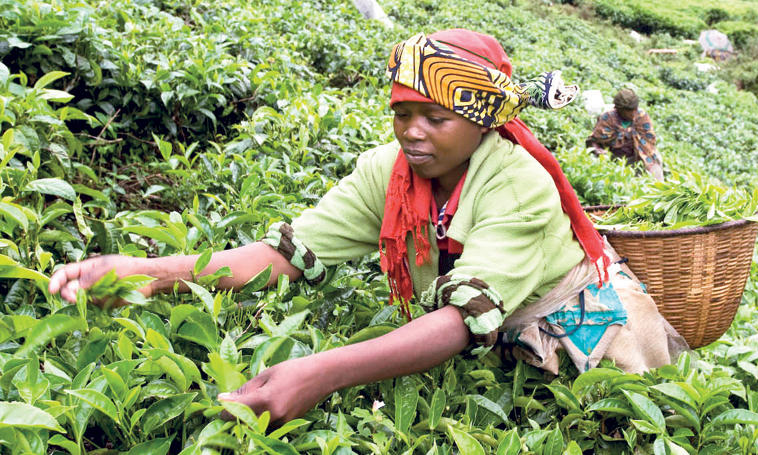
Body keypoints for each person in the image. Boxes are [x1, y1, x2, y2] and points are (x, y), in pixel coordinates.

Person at [48, 29, 686, 426]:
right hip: (493, 330)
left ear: (482, 119)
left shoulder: (517, 180)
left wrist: (319, 371)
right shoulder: (392, 171)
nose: (412, 131)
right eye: (402, 113)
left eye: (435, 116)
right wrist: (144, 273)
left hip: (583, 333)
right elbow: (279, 256)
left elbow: (461, 320)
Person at [586, 88, 664, 181]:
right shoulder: (608, 118)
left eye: (635, 110)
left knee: (655, 172)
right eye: (629, 111)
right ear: (620, 110)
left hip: (641, 157)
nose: (633, 114)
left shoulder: (641, 117)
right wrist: (600, 152)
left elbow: (649, 142)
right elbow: (594, 140)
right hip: (617, 159)